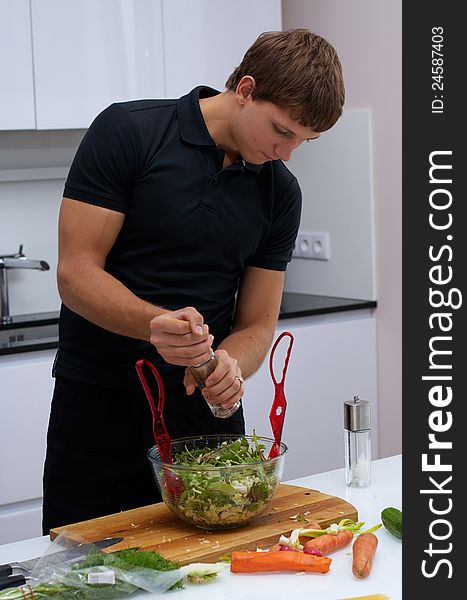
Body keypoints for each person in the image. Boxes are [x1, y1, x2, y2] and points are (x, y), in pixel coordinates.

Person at [42, 28, 345, 533]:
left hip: (206, 415)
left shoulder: (280, 193)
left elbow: (256, 322)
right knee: (82, 573)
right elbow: (75, 273)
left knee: (215, 572)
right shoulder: (129, 131)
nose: (287, 153)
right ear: (245, 89)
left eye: (304, 142)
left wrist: (232, 363)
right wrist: (154, 324)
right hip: (99, 408)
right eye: (282, 131)